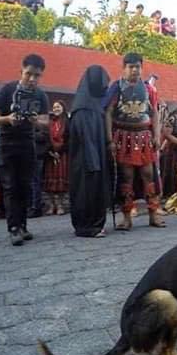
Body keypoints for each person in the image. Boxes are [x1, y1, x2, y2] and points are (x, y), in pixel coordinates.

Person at [0, 53, 50, 245]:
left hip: (27, 143)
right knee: (10, 186)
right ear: (21, 72)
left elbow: (46, 122)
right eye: (28, 74)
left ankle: (23, 226)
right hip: (6, 144)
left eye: (36, 75)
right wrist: (7, 119)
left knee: (25, 186)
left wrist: (35, 121)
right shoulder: (7, 90)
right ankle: (13, 228)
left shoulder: (41, 95)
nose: (32, 79)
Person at [104, 51, 164, 230]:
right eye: (131, 67)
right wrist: (109, 139)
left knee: (149, 175)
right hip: (124, 136)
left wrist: (156, 135)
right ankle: (127, 217)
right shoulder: (116, 87)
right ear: (124, 68)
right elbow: (108, 112)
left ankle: (153, 214)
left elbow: (154, 113)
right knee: (126, 177)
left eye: (138, 67)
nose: (135, 70)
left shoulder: (148, 89)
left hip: (144, 136)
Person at [68, 64, 111, 237]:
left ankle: (94, 224)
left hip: (94, 159)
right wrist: (93, 161)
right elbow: (85, 137)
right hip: (87, 161)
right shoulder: (83, 109)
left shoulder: (92, 105)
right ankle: (87, 227)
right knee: (85, 192)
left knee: (93, 191)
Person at [43, 100, 70, 214]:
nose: (56, 109)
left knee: (62, 181)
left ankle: (60, 206)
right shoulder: (50, 122)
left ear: (63, 108)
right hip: (50, 155)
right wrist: (51, 151)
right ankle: (51, 205)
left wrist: (60, 151)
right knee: (50, 182)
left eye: (58, 107)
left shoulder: (68, 122)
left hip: (63, 155)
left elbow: (69, 138)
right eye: (54, 107)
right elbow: (46, 137)